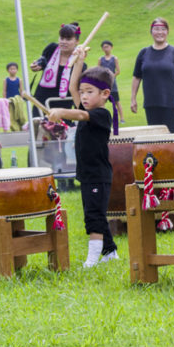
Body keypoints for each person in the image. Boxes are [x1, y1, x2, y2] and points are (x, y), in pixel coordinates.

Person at [47, 48, 119, 267]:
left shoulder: (102, 114)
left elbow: (79, 114)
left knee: (93, 216)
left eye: (89, 92)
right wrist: (79, 61)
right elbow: (71, 87)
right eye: (83, 92)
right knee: (94, 212)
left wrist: (60, 111)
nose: (84, 96)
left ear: (105, 94)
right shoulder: (88, 106)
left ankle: (92, 259)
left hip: (98, 174)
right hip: (88, 174)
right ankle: (110, 253)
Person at [131, 17, 174, 134]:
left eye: (163, 29)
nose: (160, 32)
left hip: (171, 102)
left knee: (170, 136)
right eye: (156, 29)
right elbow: (137, 77)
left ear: (167, 32)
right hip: (151, 102)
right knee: (154, 137)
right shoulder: (144, 53)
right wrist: (133, 99)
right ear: (151, 32)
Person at [31, 23, 85, 116]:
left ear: (77, 41)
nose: (63, 42)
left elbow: (79, 88)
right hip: (42, 102)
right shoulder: (51, 48)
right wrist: (36, 65)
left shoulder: (78, 61)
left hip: (63, 107)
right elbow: (43, 60)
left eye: (68, 39)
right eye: (61, 38)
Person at [97, 40, 126, 124]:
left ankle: (122, 118)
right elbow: (98, 70)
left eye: (107, 47)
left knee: (117, 101)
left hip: (113, 84)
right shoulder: (100, 59)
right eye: (104, 47)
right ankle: (102, 118)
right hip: (103, 84)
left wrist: (111, 76)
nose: (106, 49)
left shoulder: (114, 58)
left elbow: (118, 70)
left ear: (111, 47)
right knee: (102, 102)